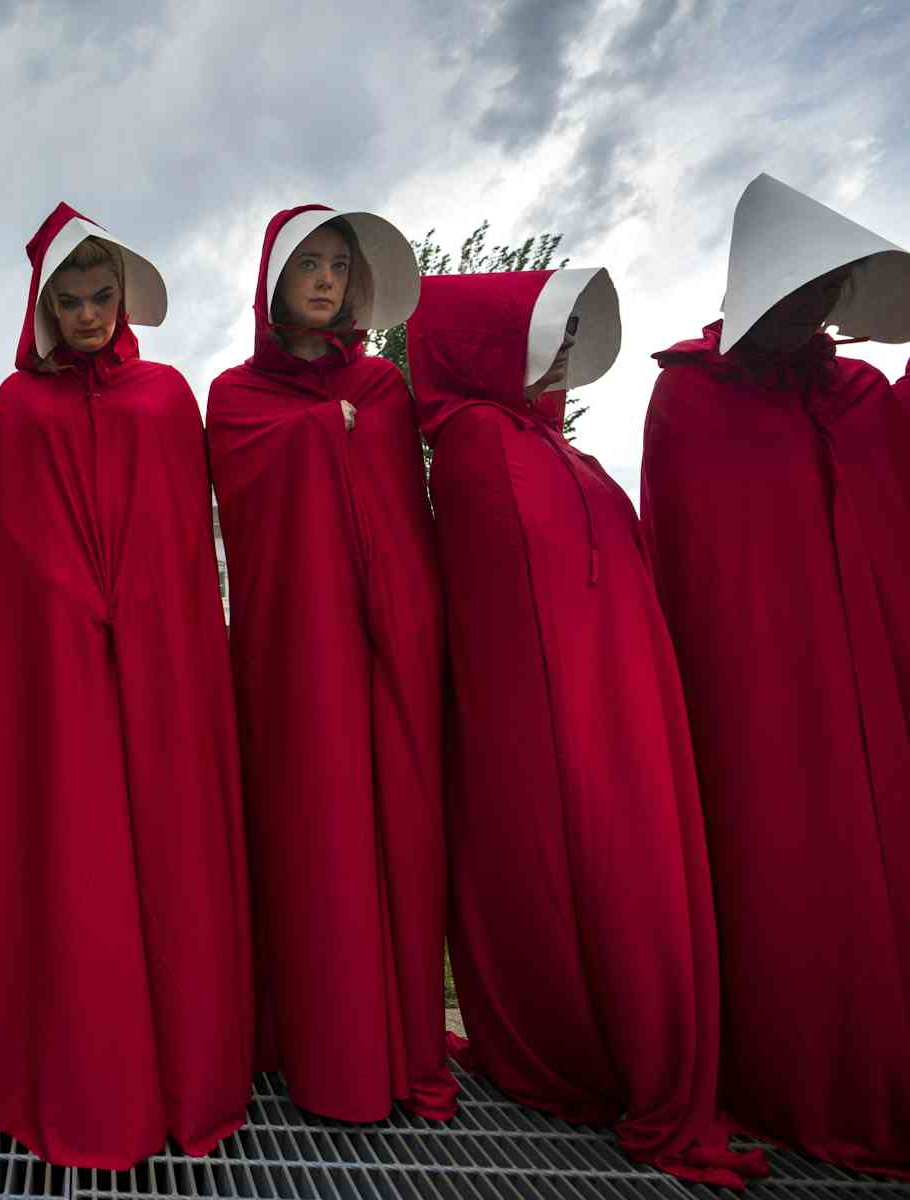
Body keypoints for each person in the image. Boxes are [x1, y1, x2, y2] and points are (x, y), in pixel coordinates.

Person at [407, 268, 768, 1189]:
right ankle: (622, 1055)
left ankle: (635, 1050)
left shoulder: (567, 456)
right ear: (489, 347)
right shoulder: (479, 444)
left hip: (624, 701)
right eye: (542, 338)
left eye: (568, 340)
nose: (562, 357)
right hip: (562, 717)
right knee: (603, 873)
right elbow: (515, 607)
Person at [0, 204, 251, 1168]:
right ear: (44, 307)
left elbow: (186, 540)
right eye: (70, 301)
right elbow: (10, 549)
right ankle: (66, 1060)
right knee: (66, 841)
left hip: (156, 659)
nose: (90, 314)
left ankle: (180, 1068)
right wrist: (69, 601)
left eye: (103, 297)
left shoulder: (167, 397)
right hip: (54, 666)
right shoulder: (17, 410)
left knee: (164, 843)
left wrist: (142, 611)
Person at [642, 173, 910, 1179]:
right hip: (759, 706)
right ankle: (799, 1078)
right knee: (788, 879)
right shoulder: (690, 399)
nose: (821, 305)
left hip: (876, 692)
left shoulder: (863, 399)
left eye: (834, 284)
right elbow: (694, 567)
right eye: (803, 284)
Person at [206, 204, 454, 1124]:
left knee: (399, 835)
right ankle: (322, 1047)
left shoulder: (385, 389)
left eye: (341, 267)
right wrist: (325, 434)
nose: (325, 281)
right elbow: (258, 517)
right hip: (293, 653)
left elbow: (400, 515)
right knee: (316, 836)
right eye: (307, 263)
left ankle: (403, 1039)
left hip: (389, 641)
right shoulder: (232, 397)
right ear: (273, 281)